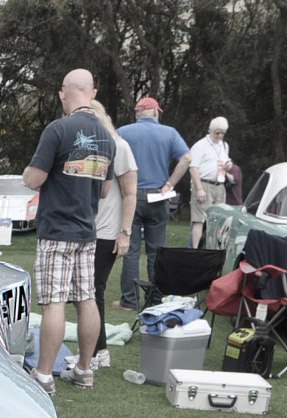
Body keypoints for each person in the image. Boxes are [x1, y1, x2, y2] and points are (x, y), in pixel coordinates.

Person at [22, 68, 114, 394]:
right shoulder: (106, 137)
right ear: (93, 92)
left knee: (54, 302)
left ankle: (44, 375)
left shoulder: (58, 129)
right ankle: (85, 370)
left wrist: (29, 173)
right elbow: (104, 191)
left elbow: (33, 179)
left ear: (64, 92)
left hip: (57, 229)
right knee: (87, 299)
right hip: (88, 232)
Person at [116, 96, 190, 310]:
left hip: (131, 196)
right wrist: (169, 183)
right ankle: (156, 299)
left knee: (130, 250)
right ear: (156, 112)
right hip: (159, 196)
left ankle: (129, 300)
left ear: (137, 113)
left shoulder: (123, 132)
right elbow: (186, 158)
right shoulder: (170, 133)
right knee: (156, 252)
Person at [87, 100, 137, 369]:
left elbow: (130, 192)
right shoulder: (87, 147)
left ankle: (95, 353)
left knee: (93, 291)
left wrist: (125, 233)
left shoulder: (119, 146)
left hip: (107, 232)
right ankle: (100, 349)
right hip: (87, 229)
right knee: (89, 292)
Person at [188, 117, 231, 247]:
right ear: (210, 130)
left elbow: (226, 161)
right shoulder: (200, 145)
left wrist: (228, 165)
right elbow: (193, 168)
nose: (220, 135)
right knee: (199, 219)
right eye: (217, 132)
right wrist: (199, 189)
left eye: (223, 133)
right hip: (203, 184)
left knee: (219, 219)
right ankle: (195, 249)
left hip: (219, 184)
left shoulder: (224, 145)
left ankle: (214, 248)